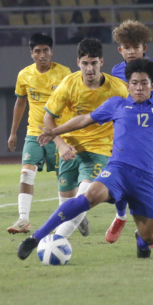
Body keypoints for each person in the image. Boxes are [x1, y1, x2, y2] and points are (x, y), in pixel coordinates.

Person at [17, 58, 153, 260]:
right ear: (128, 85)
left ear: (152, 86)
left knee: (149, 237)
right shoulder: (116, 104)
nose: (139, 87)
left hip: (144, 179)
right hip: (117, 171)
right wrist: (55, 131)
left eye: (144, 83)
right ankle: (35, 239)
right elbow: (84, 119)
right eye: (134, 83)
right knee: (88, 196)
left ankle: (141, 241)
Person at [39, 38, 129, 240]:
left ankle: (55, 241)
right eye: (85, 63)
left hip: (99, 150)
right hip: (69, 150)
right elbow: (48, 118)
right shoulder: (69, 84)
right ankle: (80, 218)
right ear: (78, 62)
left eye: (94, 63)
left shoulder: (118, 89)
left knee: (85, 197)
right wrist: (61, 145)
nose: (90, 68)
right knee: (66, 205)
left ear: (102, 62)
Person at [104, 19, 153, 246]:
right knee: (119, 180)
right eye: (126, 47)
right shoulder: (117, 71)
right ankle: (120, 217)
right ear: (120, 50)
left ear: (144, 48)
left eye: (135, 46)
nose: (131, 51)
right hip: (126, 138)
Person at [6, 33, 72, 233]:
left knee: (65, 179)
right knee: (26, 174)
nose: (42, 55)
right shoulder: (24, 75)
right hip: (34, 133)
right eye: (38, 51)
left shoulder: (65, 73)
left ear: (52, 52)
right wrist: (13, 133)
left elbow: (72, 102)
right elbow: (20, 103)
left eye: (46, 50)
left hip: (59, 134)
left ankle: (69, 216)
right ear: (31, 54)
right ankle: (23, 220)